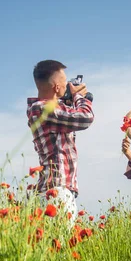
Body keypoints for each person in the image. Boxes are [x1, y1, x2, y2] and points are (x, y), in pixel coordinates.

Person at [26, 60, 94, 219]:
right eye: (65, 83)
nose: (67, 86)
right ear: (57, 87)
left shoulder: (42, 109)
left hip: (51, 190)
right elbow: (85, 117)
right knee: (59, 243)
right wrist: (80, 97)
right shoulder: (43, 108)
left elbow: (65, 114)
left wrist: (70, 100)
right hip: (58, 190)